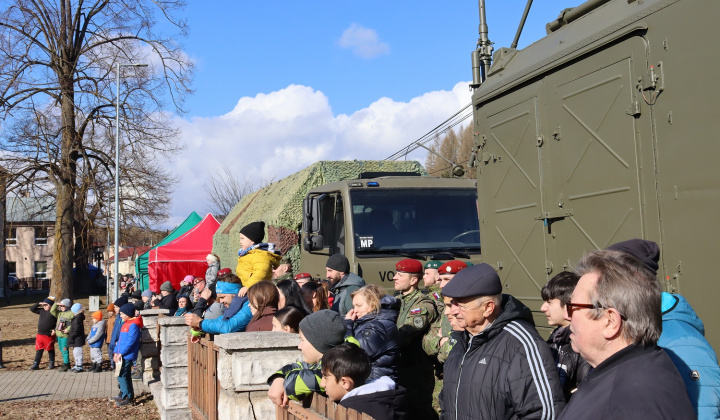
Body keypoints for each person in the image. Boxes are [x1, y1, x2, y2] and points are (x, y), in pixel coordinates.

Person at [557, 249, 694, 419]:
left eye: (573, 307)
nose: (566, 316)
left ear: (610, 321)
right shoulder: (635, 370)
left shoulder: (635, 399)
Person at [607, 238, 720, 418]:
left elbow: (703, 412)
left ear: (634, 281)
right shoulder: (634, 327)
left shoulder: (682, 342)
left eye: (608, 279)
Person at [441, 263, 565, 420]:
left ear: (488, 308)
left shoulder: (521, 344)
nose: (450, 311)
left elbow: (545, 413)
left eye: (460, 304)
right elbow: (448, 403)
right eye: (452, 303)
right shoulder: (463, 340)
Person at [267, 310, 350, 406]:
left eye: (302, 340)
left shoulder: (333, 372)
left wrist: (283, 381)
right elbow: (300, 365)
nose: (299, 346)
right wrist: (279, 377)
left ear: (318, 343)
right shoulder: (323, 363)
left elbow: (292, 386)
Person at [392, 259, 439, 419]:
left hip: (415, 374)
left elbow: (405, 335)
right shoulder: (398, 301)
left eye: (400, 274)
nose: (394, 277)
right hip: (400, 370)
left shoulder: (423, 305)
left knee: (419, 413)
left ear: (413, 280)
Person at [321, 342, 407, 420]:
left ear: (345, 383)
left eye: (325, 377)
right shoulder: (386, 396)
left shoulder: (351, 411)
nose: (322, 384)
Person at [540, 271, 591, 400]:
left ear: (569, 303)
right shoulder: (556, 337)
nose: (543, 308)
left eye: (549, 302)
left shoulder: (584, 347)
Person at [344, 285, 400, 381]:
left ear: (372, 305)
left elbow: (352, 353)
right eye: (354, 306)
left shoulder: (378, 327)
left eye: (359, 305)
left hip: (376, 384)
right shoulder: (370, 323)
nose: (355, 310)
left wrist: (348, 325)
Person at [184, 274, 253, 335]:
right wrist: (200, 328)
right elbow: (220, 320)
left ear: (235, 294)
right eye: (219, 298)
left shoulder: (249, 305)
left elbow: (228, 327)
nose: (220, 301)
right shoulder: (233, 306)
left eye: (222, 297)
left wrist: (200, 323)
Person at [236, 221, 282, 296]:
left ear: (252, 241)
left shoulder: (260, 255)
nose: (240, 241)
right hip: (250, 289)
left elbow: (261, 273)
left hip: (257, 291)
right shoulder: (247, 254)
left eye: (242, 238)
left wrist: (247, 286)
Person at [112, 302, 143, 407]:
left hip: (126, 355)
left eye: (122, 313)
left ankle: (127, 397)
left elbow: (130, 342)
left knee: (122, 375)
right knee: (123, 375)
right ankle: (126, 394)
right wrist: (116, 352)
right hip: (121, 354)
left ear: (128, 313)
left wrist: (121, 353)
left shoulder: (133, 326)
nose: (120, 315)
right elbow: (120, 341)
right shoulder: (125, 324)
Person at [30, 297, 58, 370]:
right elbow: (32, 309)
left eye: (47, 305)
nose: (45, 306)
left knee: (50, 349)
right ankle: (36, 364)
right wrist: (39, 303)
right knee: (39, 349)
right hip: (40, 334)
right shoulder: (42, 311)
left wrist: (55, 330)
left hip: (49, 335)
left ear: (51, 306)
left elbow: (60, 322)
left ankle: (51, 363)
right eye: (44, 305)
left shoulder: (54, 313)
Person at [53, 298, 74, 372]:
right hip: (59, 335)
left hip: (65, 336)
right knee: (61, 349)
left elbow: (73, 324)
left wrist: (67, 330)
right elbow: (52, 311)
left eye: (63, 306)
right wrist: (56, 304)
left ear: (67, 306)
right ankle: (65, 362)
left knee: (65, 350)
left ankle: (66, 364)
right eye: (60, 306)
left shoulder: (71, 314)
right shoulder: (60, 313)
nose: (61, 307)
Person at [108, 296, 128, 371]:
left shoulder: (123, 319)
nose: (114, 309)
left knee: (121, 368)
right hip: (115, 345)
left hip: (119, 344)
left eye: (116, 307)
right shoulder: (118, 318)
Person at [68, 303, 86, 373]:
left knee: (78, 352)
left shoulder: (77, 319)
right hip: (76, 339)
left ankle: (79, 365)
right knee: (75, 352)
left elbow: (76, 329)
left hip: (77, 339)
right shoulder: (77, 318)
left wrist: (71, 336)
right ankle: (77, 364)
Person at [105, 303, 116, 369]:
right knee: (109, 352)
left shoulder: (115, 319)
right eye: (109, 311)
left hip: (113, 338)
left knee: (113, 352)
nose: (110, 313)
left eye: (111, 311)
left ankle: (114, 364)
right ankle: (112, 363)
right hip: (108, 338)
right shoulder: (108, 319)